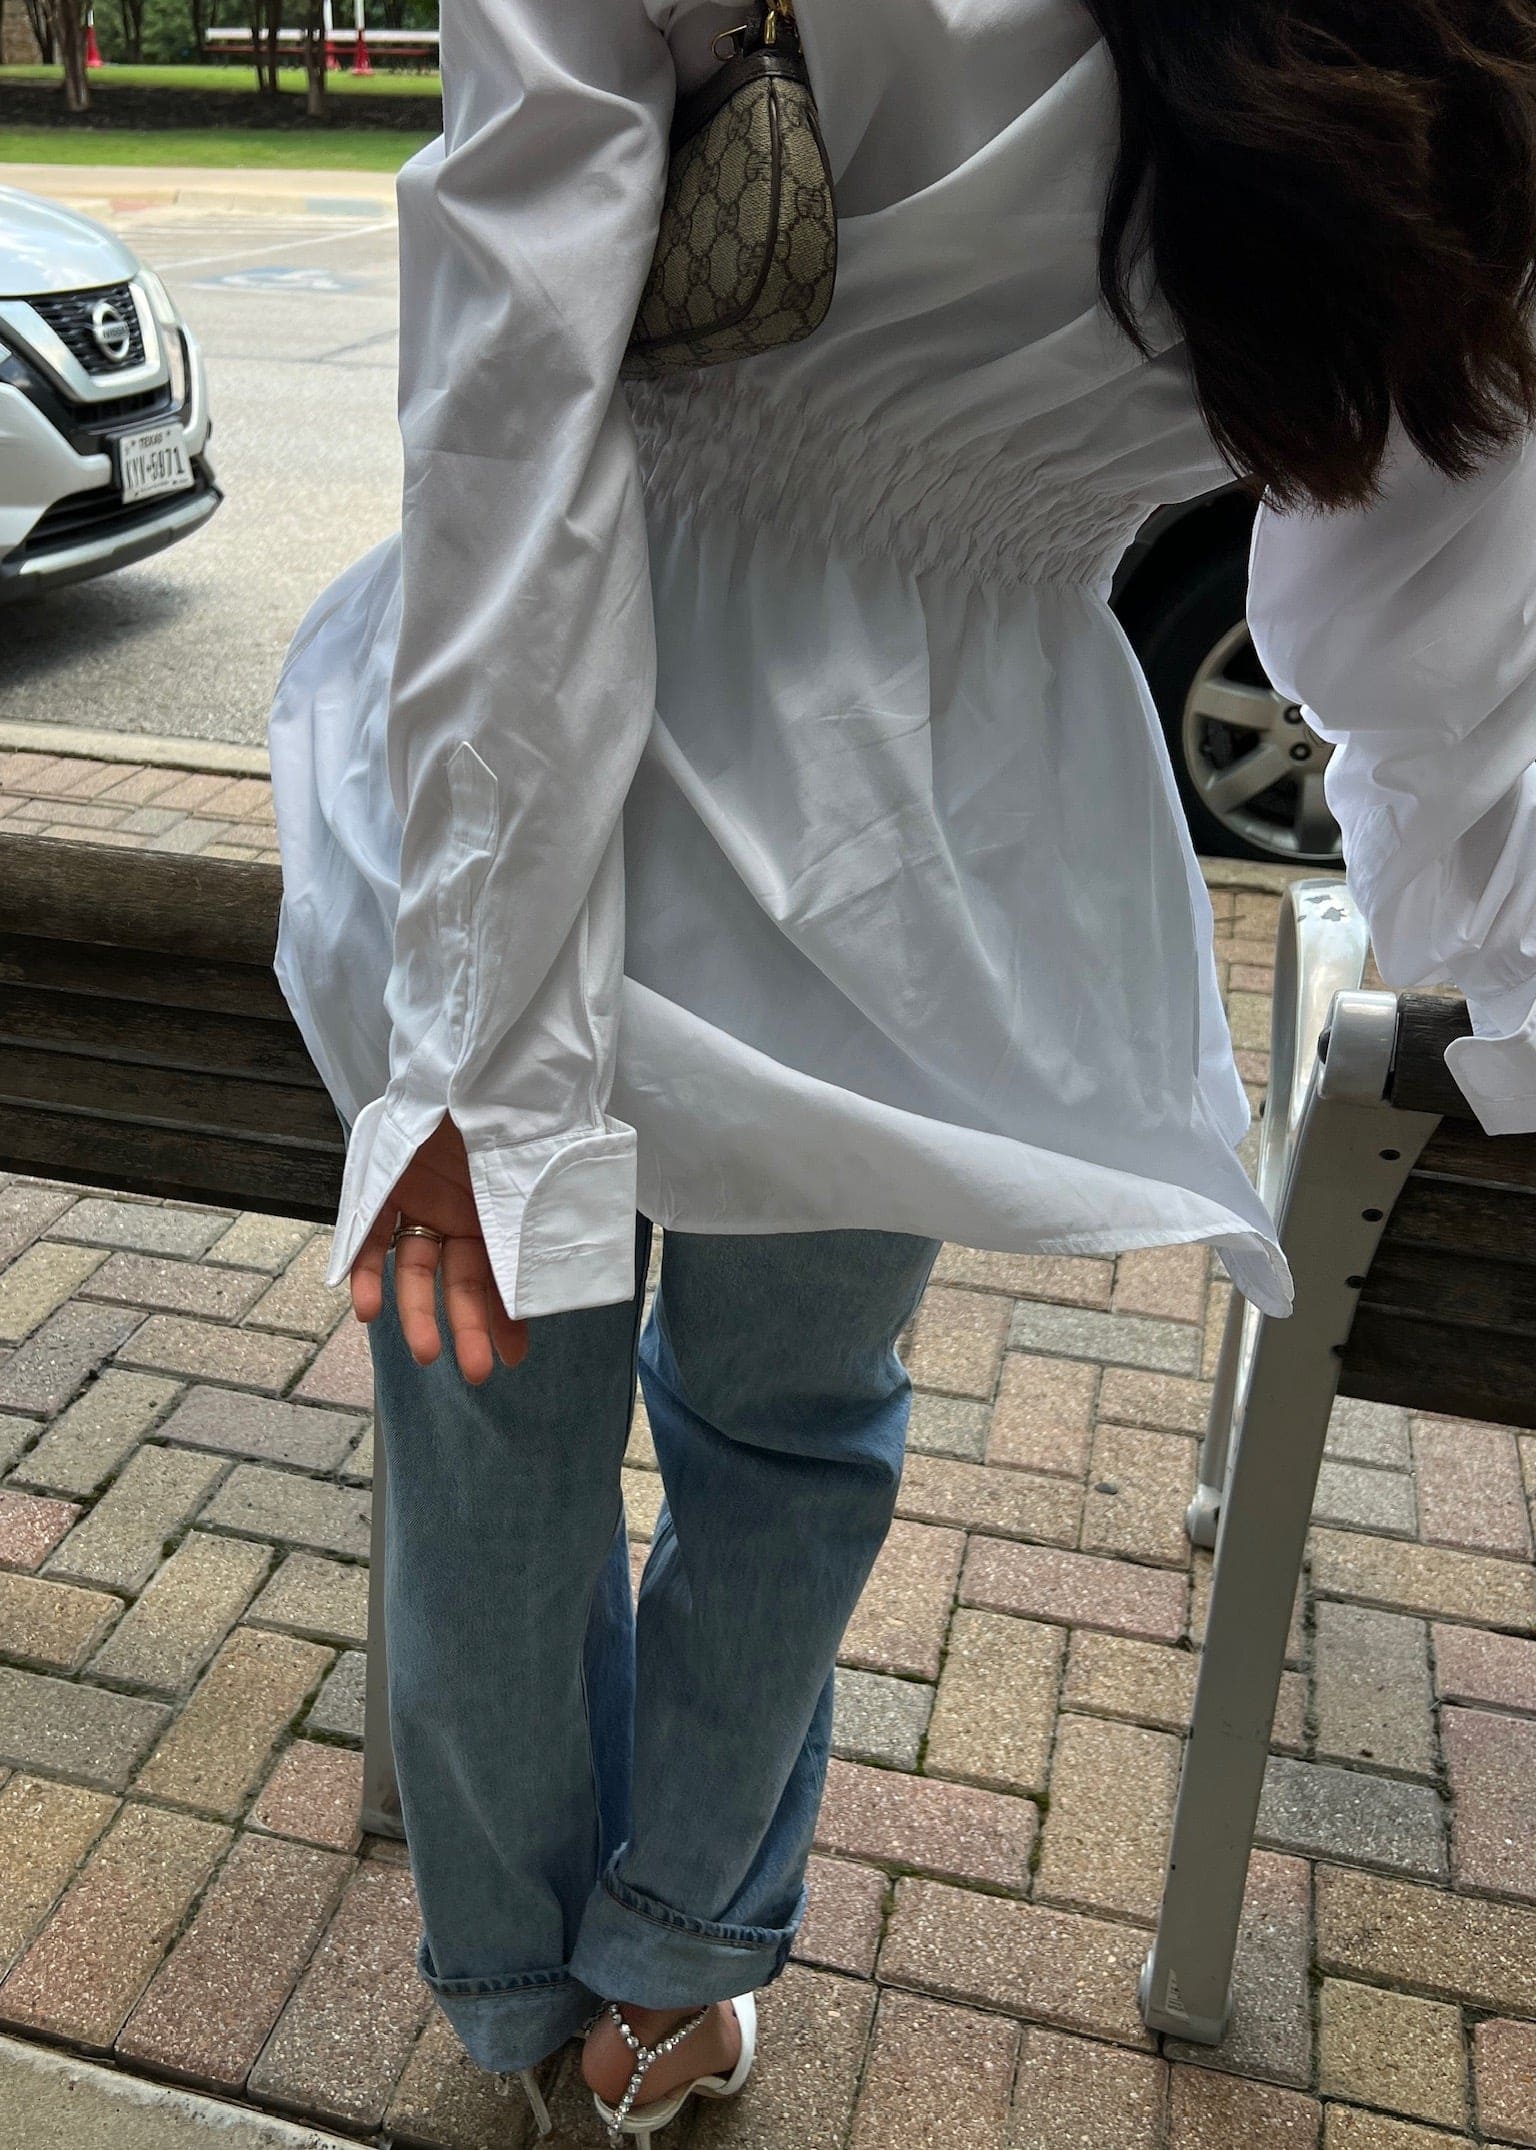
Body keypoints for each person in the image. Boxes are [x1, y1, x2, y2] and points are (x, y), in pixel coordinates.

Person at [266, 0, 1536, 2135]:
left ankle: (516, 1992)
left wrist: (477, 1055)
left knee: (492, 1434)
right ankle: (663, 1984)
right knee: (792, 1429)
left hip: (536, 762)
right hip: (922, 855)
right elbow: (1452, 584)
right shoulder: (1412, 34)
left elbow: (515, 420)